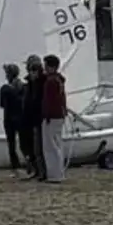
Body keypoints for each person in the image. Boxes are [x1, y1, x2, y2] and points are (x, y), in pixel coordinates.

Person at [39, 54, 69, 184]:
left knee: (50, 145)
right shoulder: (59, 80)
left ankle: (55, 174)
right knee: (57, 144)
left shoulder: (51, 81)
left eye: (46, 65)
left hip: (52, 116)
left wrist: (47, 115)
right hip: (59, 115)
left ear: (51, 66)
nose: (44, 67)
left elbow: (50, 101)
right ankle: (58, 172)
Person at [0, 64, 26, 178]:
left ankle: (16, 168)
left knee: (11, 144)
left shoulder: (5, 89)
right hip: (21, 117)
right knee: (24, 143)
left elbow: (2, 105)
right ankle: (31, 164)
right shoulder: (23, 86)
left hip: (9, 118)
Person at [22, 56, 47, 180]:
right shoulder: (29, 84)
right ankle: (37, 170)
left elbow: (37, 101)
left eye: (33, 69)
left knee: (39, 148)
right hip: (30, 119)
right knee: (32, 147)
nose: (30, 71)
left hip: (38, 119)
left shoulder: (41, 83)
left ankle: (42, 172)